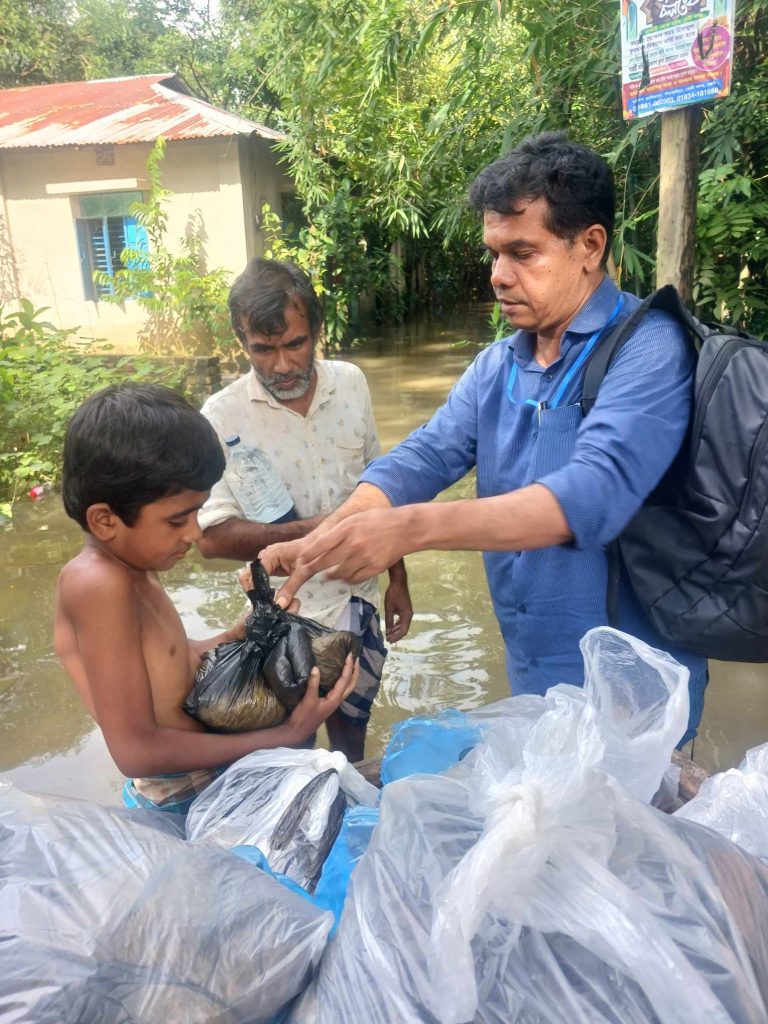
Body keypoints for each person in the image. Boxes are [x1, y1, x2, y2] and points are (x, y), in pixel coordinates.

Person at [260, 132, 708, 746]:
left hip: (637, 697)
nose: (499, 276)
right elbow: (421, 456)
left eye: (523, 253)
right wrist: (333, 534)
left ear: (590, 246)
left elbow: (592, 493)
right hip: (538, 678)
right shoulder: (498, 365)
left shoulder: (651, 349)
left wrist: (412, 529)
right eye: (494, 254)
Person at [54, 383, 358, 814]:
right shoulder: (97, 584)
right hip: (181, 797)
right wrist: (284, 736)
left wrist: (239, 634)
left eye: (198, 512)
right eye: (178, 519)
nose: (196, 533)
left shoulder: (132, 567)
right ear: (105, 520)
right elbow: (135, 750)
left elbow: (171, 663)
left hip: (209, 773)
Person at [196, 258, 412, 762]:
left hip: (359, 601)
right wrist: (325, 528)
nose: (283, 365)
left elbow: (380, 481)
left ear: (317, 330)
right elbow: (211, 538)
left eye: (295, 344)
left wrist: (398, 577)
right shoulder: (221, 415)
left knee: (350, 739)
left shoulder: (351, 384)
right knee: (289, 748)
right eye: (262, 350)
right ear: (242, 343)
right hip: (280, 619)